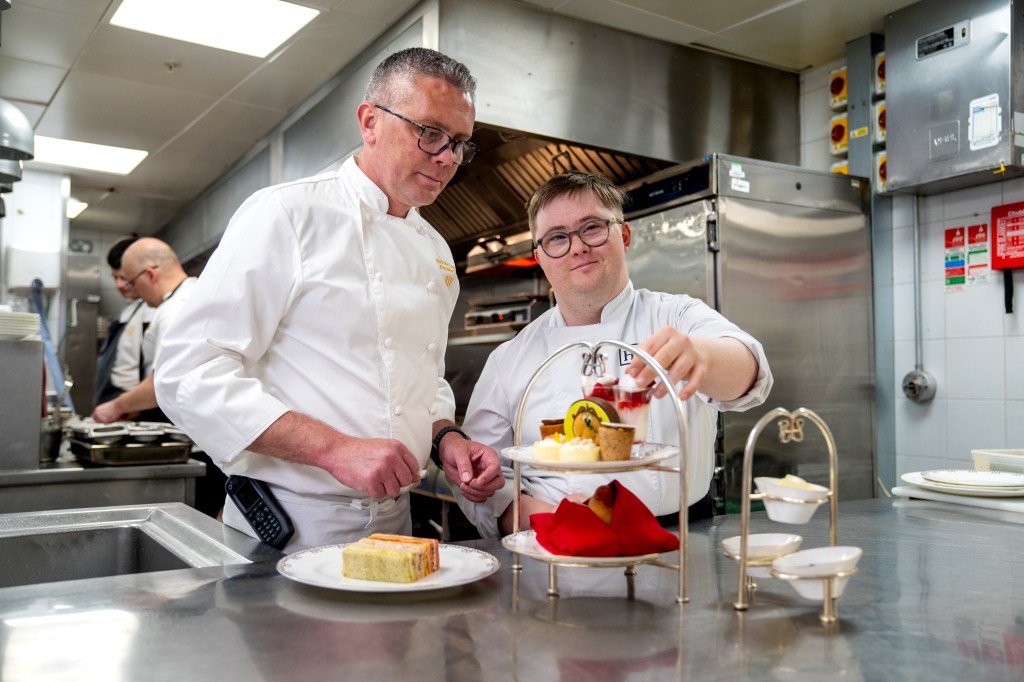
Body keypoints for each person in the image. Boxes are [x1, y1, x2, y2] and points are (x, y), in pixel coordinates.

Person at [154, 47, 503, 552]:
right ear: (370, 122)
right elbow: (188, 372)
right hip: (290, 526)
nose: (447, 157)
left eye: (460, 143)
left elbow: (421, 385)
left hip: (395, 528)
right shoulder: (287, 215)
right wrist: (334, 449)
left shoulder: (434, 251)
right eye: (429, 133)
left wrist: (446, 438)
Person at [454, 171, 774, 538]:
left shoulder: (675, 317)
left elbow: (751, 371)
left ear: (623, 236)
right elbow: (482, 481)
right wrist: (540, 518)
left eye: (592, 227)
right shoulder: (508, 359)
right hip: (554, 546)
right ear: (540, 257)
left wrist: (700, 355)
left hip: (681, 544)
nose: (577, 247)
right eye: (558, 237)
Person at [92, 238, 197, 424]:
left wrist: (117, 406)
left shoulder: (174, 310)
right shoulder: (187, 297)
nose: (133, 290)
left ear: (150, 275)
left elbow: (165, 383)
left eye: (131, 281)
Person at [93, 237, 155, 409]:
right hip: (113, 400)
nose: (119, 285)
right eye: (115, 278)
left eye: (124, 278)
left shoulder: (153, 310)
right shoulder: (129, 308)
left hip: (133, 405)